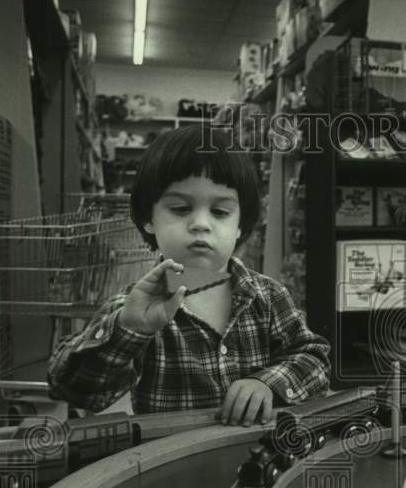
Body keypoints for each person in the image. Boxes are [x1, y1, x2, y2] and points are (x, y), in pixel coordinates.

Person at [49, 125, 330, 425]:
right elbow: (72, 389)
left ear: (240, 225)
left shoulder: (270, 297)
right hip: (170, 464)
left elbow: (315, 360)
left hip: (263, 458)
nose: (200, 224)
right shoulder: (135, 308)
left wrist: (268, 383)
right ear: (148, 219)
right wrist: (128, 331)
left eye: (220, 212)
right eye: (181, 208)